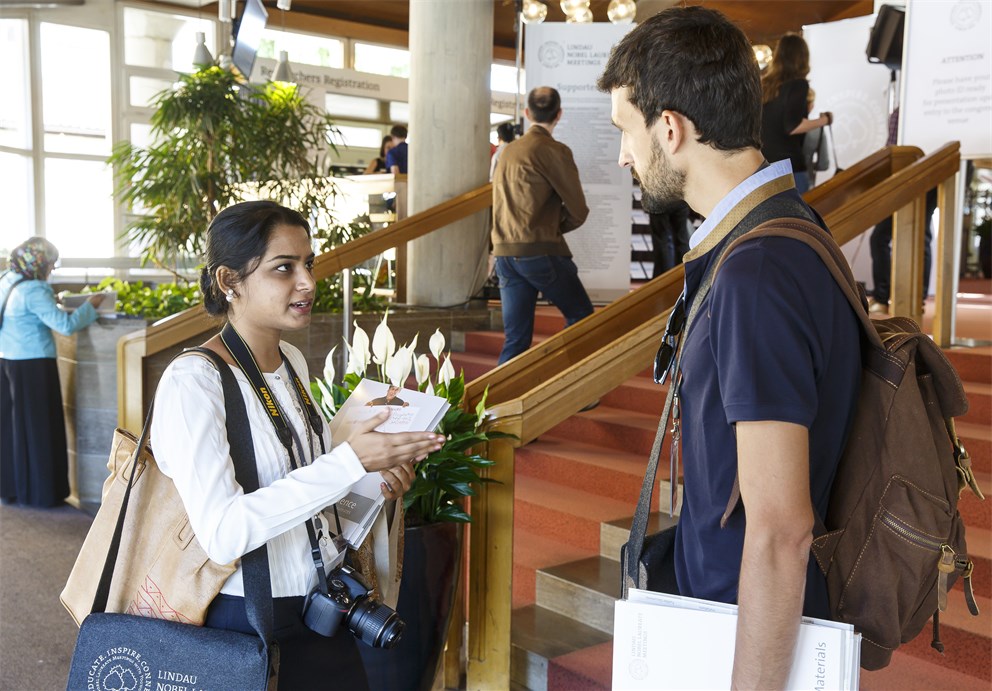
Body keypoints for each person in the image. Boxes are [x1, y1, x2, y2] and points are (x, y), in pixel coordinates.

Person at [599, 7, 860, 688]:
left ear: (671, 128)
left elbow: (780, 533)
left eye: (627, 130)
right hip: (728, 617)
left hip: (741, 639)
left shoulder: (757, 272)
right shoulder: (780, 229)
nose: (624, 155)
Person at [150, 201, 444, 690]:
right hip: (248, 623)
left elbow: (306, 482)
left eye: (308, 263)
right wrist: (349, 461)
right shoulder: (194, 381)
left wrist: (371, 476)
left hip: (322, 605)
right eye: (283, 268)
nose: (307, 282)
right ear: (229, 281)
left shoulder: (289, 360)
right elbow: (224, 533)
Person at [491, 86, 594, 364]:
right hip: (540, 251)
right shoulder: (554, 150)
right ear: (559, 114)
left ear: (527, 113)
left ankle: (496, 405)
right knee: (582, 318)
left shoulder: (507, 152)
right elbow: (578, 209)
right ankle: (570, 388)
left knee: (516, 339)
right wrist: (552, 227)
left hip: (504, 254)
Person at [0, 238, 105, 507]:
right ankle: (42, 493)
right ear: (39, 263)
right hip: (34, 364)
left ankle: (14, 489)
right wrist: (90, 306)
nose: (51, 270)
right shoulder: (34, 289)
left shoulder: (7, 279)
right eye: (50, 264)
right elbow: (65, 325)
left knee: (15, 428)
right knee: (41, 427)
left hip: (7, 361)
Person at [869, 107, 935, 313]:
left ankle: (916, 299)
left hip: (929, 173)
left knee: (919, 236)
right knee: (880, 237)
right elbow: (892, 148)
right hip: (900, 180)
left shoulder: (921, 109)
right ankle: (884, 296)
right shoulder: (900, 110)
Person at [759, 33, 833, 194]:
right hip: (790, 167)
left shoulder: (765, 85)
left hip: (764, 166)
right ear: (802, 57)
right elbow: (792, 126)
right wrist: (824, 120)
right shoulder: (798, 85)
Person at [648, 200, 691, 277]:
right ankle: (683, 279)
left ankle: (663, 281)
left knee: (663, 240)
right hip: (680, 197)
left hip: (659, 197)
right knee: (681, 240)